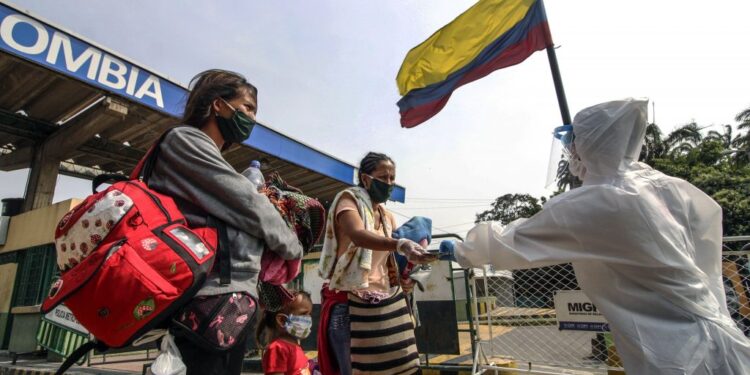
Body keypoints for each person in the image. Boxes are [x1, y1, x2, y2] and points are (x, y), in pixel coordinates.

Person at [454, 99, 750, 374]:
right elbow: (706, 235)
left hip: (678, 356)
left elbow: (506, 244)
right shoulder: (662, 186)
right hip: (722, 338)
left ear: (590, 145)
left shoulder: (597, 202)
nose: (571, 154)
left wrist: (456, 250)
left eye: (573, 145)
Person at [148, 69, 303, 375]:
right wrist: (292, 245)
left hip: (227, 299)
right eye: (247, 108)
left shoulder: (210, 156)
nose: (251, 118)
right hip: (209, 299)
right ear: (218, 105)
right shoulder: (185, 140)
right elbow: (248, 205)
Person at [317, 152, 436, 375]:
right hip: (350, 305)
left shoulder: (387, 216)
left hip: (386, 305)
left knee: (402, 368)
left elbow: (388, 259)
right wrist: (401, 244)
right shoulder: (348, 200)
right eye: (384, 177)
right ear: (366, 179)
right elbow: (358, 235)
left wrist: (404, 275)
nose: (389, 183)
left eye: (393, 178)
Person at [257, 291, 314, 375]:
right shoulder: (278, 349)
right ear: (282, 320)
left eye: (310, 314)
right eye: (303, 314)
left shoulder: (295, 345)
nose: (308, 319)